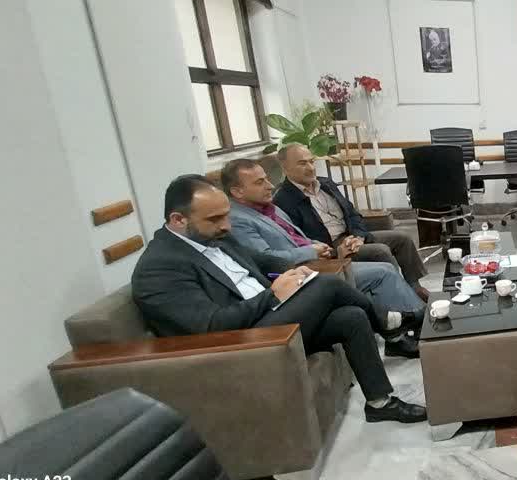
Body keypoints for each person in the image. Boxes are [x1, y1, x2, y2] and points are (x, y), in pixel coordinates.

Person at [132, 175, 427, 424]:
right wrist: (272, 296)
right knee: (327, 286)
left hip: (269, 318)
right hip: (240, 343)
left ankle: (379, 403)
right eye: (215, 219)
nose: (227, 225)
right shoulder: (159, 267)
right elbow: (210, 326)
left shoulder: (215, 237)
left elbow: (263, 261)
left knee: (351, 316)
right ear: (178, 219)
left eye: (226, 215)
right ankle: (390, 322)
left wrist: (294, 271)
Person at [221, 159, 424, 357]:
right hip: (299, 273)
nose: (270, 185)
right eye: (260, 182)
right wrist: (313, 251)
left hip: (320, 259)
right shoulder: (238, 220)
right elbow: (266, 259)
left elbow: (298, 237)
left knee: (386, 263)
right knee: (382, 272)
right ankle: (415, 325)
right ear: (237, 191)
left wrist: (325, 248)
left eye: (266, 179)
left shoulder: (269, 207)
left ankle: (409, 324)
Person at [274, 144, 430, 301]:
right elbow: (299, 239)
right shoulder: (284, 200)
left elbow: (352, 213)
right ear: (285, 168)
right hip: (331, 247)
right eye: (302, 163)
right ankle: (405, 300)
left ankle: (415, 288)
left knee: (402, 239)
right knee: (380, 251)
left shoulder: (326, 184)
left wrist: (358, 236)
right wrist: (335, 250)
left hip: (351, 235)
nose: (310, 168)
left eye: (311, 161)